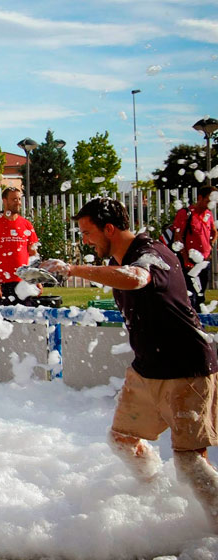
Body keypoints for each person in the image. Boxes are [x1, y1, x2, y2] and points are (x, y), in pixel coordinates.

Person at [41, 197, 218, 529]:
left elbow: (137, 278)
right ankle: (155, 494)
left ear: (109, 228)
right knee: (121, 439)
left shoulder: (151, 254)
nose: (86, 240)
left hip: (187, 368)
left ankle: (213, 531)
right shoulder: (121, 258)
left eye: (88, 232)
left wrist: (72, 270)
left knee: (191, 461)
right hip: (147, 369)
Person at [0, 186, 39, 305]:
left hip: (24, 282)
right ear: (5, 201)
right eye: (14, 199)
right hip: (2, 283)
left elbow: (33, 254)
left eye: (19, 199)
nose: (18, 202)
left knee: (26, 321)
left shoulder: (27, 225)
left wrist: (37, 280)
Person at [172, 186, 217, 311]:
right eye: (209, 200)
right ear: (200, 198)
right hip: (189, 263)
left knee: (201, 295)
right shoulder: (186, 213)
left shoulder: (208, 214)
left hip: (204, 261)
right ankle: (190, 325)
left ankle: (200, 326)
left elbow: (214, 231)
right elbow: (178, 238)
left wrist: (210, 245)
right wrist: (185, 259)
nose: (211, 203)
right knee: (190, 295)